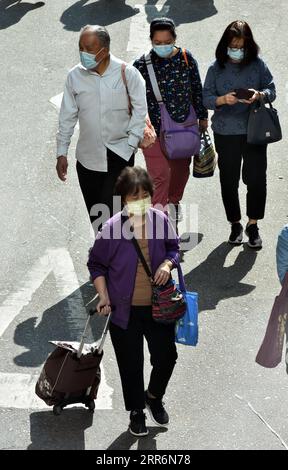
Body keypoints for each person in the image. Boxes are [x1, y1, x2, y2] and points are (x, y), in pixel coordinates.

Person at [87, 166, 180, 437]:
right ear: (123, 199)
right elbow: (96, 264)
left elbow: (174, 249)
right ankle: (136, 412)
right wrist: (104, 296)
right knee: (131, 364)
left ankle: (153, 396)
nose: (140, 201)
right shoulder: (112, 228)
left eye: (144, 195)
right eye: (133, 196)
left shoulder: (161, 220)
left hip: (158, 307)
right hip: (123, 311)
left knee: (167, 357)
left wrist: (166, 263)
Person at [56, 25, 147, 233]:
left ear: (104, 51)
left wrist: (131, 144)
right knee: (98, 220)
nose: (83, 53)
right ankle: (107, 255)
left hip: (119, 157)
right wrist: (61, 152)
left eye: (88, 48)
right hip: (88, 160)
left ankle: (117, 258)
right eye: (80, 47)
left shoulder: (128, 74)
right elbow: (67, 116)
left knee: (114, 217)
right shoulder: (74, 76)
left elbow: (140, 111)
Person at [203, 20, 276, 249]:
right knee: (229, 180)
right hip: (225, 132)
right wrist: (222, 100)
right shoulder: (215, 68)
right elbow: (205, 97)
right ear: (225, 45)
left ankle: (253, 224)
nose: (237, 50)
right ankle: (235, 223)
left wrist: (259, 94)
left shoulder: (257, 65)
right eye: (233, 45)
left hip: (254, 130)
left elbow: (271, 90)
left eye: (241, 46)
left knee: (256, 180)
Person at [133, 17, 208, 227]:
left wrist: (203, 117)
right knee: (159, 177)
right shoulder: (140, 65)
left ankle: (174, 202)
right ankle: (160, 220)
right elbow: (130, 96)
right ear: (151, 40)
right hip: (152, 131)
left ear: (175, 39)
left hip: (183, 127)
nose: (162, 46)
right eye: (158, 42)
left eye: (167, 42)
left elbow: (196, 88)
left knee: (180, 172)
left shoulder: (186, 58)